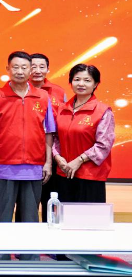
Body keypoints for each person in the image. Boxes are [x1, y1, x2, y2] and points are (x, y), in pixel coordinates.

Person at [0, 51, 54, 261]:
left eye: (24, 67)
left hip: (34, 167)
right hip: (4, 168)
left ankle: (28, 257)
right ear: (8, 69)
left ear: (31, 70)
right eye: (15, 67)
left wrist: (48, 162)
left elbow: (48, 132)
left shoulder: (43, 97)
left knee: (30, 217)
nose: (20, 71)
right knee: (1, 216)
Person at [54, 64, 114, 203]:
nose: (81, 84)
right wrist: (57, 157)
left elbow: (103, 145)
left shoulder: (103, 111)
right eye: (77, 79)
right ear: (71, 82)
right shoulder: (62, 109)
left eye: (87, 80)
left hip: (90, 176)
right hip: (64, 172)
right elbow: (55, 138)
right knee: (64, 215)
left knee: (89, 216)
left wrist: (79, 160)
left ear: (95, 84)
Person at [30, 53, 67, 223]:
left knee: (51, 198)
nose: (37, 70)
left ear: (48, 69)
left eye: (41, 67)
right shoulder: (19, 90)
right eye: (33, 66)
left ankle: (51, 232)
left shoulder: (59, 92)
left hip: (53, 152)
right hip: (29, 152)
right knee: (28, 202)